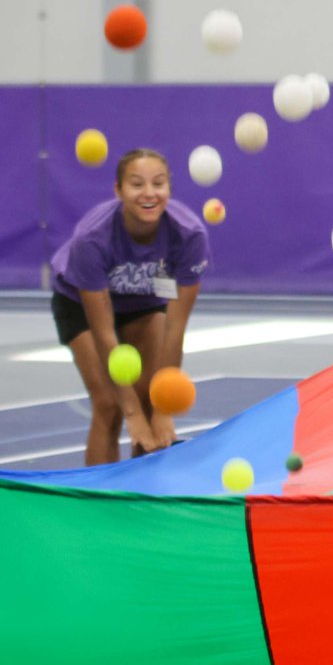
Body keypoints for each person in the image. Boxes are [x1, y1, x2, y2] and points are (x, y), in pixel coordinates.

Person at [50, 148, 209, 463]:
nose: (149, 193)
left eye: (158, 184)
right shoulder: (92, 239)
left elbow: (175, 328)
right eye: (136, 184)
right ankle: (97, 503)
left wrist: (162, 409)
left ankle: (141, 499)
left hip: (144, 304)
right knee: (110, 405)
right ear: (118, 190)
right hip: (79, 304)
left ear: (169, 189)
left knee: (153, 400)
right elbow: (104, 332)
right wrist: (132, 413)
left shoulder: (189, 236)